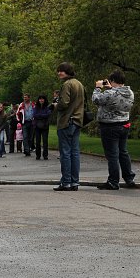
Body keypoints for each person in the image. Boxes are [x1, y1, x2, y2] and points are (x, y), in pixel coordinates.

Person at [92, 70, 136, 190]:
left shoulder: (110, 93)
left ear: (112, 80)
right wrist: (110, 87)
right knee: (123, 152)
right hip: (124, 124)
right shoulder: (130, 92)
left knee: (112, 155)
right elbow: (117, 95)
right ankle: (129, 178)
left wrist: (97, 88)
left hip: (110, 126)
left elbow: (96, 100)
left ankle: (113, 181)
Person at [52, 62, 85, 191]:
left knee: (65, 153)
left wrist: (55, 105)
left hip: (67, 121)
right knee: (75, 153)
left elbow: (64, 103)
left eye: (62, 71)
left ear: (68, 72)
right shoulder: (79, 84)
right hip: (77, 120)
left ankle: (66, 182)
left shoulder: (67, 84)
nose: (59, 73)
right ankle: (74, 182)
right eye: (59, 70)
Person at [32, 94, 52, 160]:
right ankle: (38, 155)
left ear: (44, 100)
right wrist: (43, 115)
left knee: (45, 141)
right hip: (37, 126)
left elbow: (48, 114)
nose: (41, 100)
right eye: (40, 99)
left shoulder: (47, 107)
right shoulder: (36, 107)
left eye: (42, 99)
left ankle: (45, 155)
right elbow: (34, 115)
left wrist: (40, 115)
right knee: (37, 141)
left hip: (45, 126)